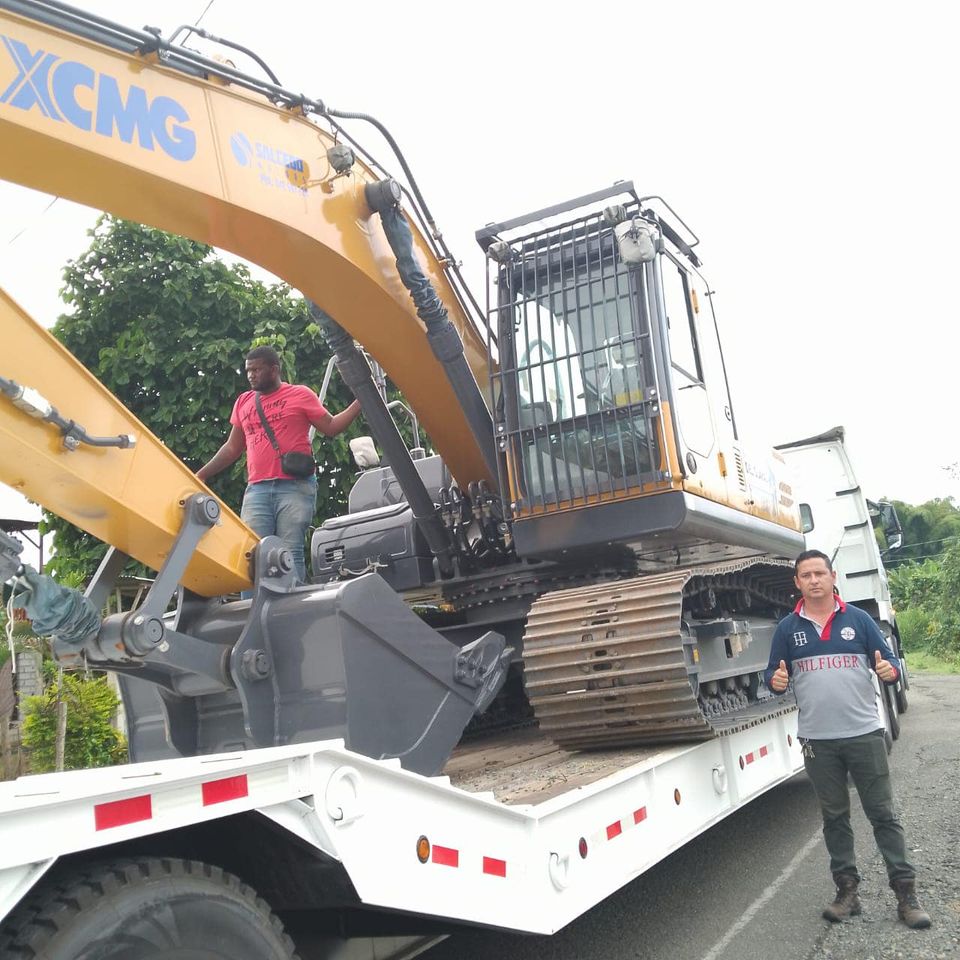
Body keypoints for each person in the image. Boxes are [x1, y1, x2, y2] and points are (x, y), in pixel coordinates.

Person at [764, 549, 930, 929]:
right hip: (817, 742)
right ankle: (847, 893)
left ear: (833, 577)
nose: (814, 580)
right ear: (797, 582)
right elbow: (773, 674)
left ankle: (906, 896)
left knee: (883, 815)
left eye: (820, 573)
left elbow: (888, 664)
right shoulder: (787, 629)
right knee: (835, 818)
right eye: (806, 575)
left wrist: (889, 671)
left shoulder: (859, 620)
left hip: (863, 735)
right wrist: (774, 680)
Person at [197, 345, 361, 583]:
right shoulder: (244, 401)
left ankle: (293, 603)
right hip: (257, 488)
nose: (251, 375)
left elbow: (332, 426)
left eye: (256, 370)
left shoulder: (300, 394)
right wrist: (202, 474)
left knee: (289, 551)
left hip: (294, 486)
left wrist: (361, 401)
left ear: (274, 370)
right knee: (252, 554)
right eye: (248, 370)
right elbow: (232, 448)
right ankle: (253, 604)